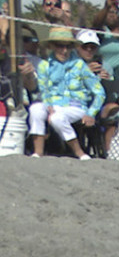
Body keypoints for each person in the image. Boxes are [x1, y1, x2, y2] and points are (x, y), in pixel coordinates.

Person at [27, 27, 103, 160]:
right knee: (35, 109)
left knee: (57, 117)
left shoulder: (80, 66)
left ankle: (79, 152)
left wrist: (91, 113)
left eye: (68, 47)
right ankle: (38, 152)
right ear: (51, 46)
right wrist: (48, 103)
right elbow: (43, 89)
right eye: (59, 46)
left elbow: (100, 92)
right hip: (52, 103)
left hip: (75, 106)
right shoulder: (44, 65)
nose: (64, 50)